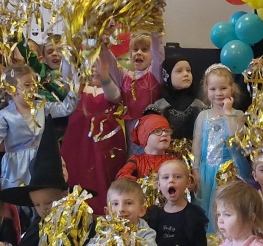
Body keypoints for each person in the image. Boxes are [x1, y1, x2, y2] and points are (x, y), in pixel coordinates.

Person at [0, 64, 75, 189]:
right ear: (11, 90)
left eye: (34, 84)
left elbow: (66, 108)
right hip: (17, 169)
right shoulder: (4, 116)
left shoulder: (41, 107)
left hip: (42, 162)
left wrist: (75, 90)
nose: (32, 89)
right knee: (20, 198)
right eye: (27, 85)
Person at [59, 56, 124, 213]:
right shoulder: (78, 90)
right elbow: (67, 77)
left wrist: (105, 76)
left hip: (105, 146)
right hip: (78, 144)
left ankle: (104, 210)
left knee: (104, 176)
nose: (95, 70)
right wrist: (68, 52)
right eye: (91, 66)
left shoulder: (112, 90)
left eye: (99, 65)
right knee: (78, 175)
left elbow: (114, 96)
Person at [192, 64, 246, 226]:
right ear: (206, 89)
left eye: (223, 88)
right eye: (213, 89)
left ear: (232, 88)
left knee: (228, 206)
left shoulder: (237, 114)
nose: (218, 93)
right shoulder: (203, 116)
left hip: (230, 170)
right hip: (207, 170)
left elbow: (234, 138)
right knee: (208, 209)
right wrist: (195, 168)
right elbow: (197, 143)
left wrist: (228, 112)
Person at [102, 33, 164, 149]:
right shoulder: (124, 76)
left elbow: (158, 52)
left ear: (152, 55)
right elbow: (110, 62)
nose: (138, 52)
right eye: (135, 50)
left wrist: (156, 32)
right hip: (130, 130)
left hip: (152, 129)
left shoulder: (155, 73)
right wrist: (101, 43)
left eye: (144, 49)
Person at [144, 55, 206, 142]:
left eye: (188, 70)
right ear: (167, 76)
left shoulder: (200, 107)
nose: (186, 74)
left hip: (196, 150)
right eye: (179, 71)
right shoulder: (157, 109)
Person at [117, 114, 176, 180]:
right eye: (157, 131)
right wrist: (140, 183)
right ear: (145, 137)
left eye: (167, 131)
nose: (164, 134)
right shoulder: (137, 161)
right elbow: (121, 175)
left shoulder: (173, 160)